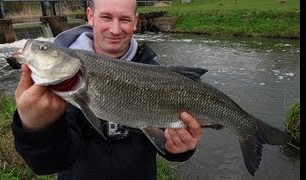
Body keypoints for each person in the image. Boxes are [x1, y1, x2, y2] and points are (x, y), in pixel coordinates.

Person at [12, 0, 202, 179]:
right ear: (90, 16)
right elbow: (48, 163)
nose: (115, 29)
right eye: (106, 17)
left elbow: (163, 140)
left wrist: (180, 149)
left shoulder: (158, 75)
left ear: (135, 21)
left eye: (125, 19)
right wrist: (37, 128)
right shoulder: (63, 80)